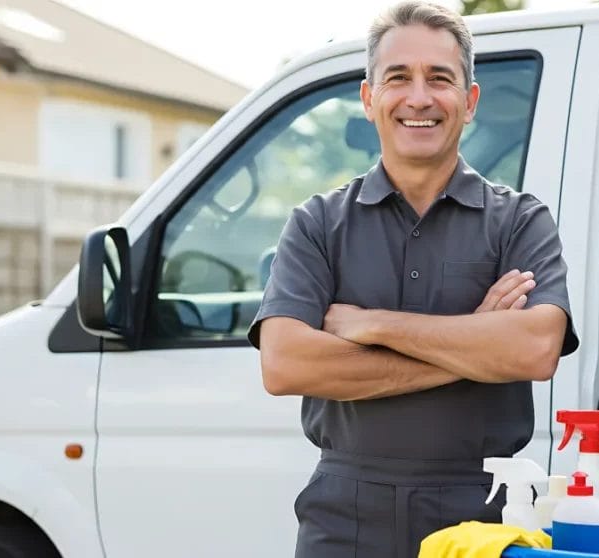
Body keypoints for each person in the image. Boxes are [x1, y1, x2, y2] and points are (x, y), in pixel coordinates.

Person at [247, 2, 579, 557]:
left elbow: (535, 350)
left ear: (469, 101)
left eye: (440, 79)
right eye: (398, 78)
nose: (419, 98)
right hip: (344, 513)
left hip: (484, 513)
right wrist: (472, 340)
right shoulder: (317, 223)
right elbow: (286, 365)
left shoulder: (521, 221)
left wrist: (371, 324)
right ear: (369, 97)